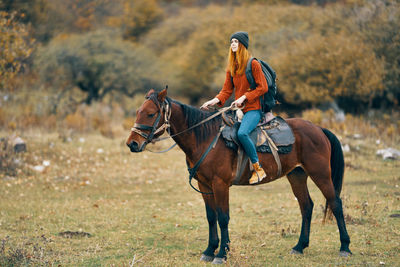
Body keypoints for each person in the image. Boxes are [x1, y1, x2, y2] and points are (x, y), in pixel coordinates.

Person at [200, 31, 268, 184]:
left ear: (243, 44)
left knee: (243, 133)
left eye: (236, 41)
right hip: (239, 111)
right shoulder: (232, 67)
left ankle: (258, 168)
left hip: (254, 109)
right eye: (231, 42)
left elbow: (262, 87)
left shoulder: (253, 64)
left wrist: (244, 97)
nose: (233, 44)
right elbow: (226, 91)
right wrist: (213, 101)